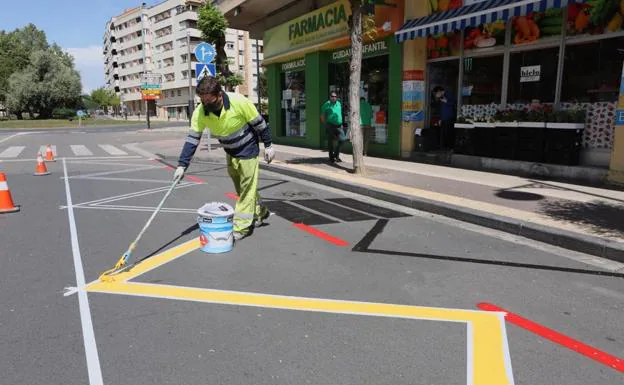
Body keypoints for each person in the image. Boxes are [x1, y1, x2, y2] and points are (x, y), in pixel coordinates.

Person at [173, 76, 275, 241]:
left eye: (209, 101)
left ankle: (241, 227)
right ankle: (261, 212)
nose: (206, 105)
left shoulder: (239, 102)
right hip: (230, 152)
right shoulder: (201, 112)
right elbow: (192, 139)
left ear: (219, 94)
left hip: (249, 150)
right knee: (242, 190)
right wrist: (181, 166)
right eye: (203, 101)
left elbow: (260, 124)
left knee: (247, 189)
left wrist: (268, 146)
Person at [320, 92, 346, 162]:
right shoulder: (326, 104)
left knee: (343, 139)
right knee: (331, 142)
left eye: (335, 96)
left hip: (339, 126)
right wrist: (325, 123)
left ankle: (336, 155)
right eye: (332, 96)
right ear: (330, 97)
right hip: (330, 125)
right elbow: (322, 115)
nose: (334, 97)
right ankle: (332, 157)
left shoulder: (339, 103)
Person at [432, 86, 457, 150]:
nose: (437, 94)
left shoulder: (449, 94)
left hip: (450, 118)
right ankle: (444, 147)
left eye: (437, 93)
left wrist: (446, 101)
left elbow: (454, 103)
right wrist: (440, 118)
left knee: (449, 133)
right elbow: (439, 108)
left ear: (440, 91)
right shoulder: (441, 97)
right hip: (443, 118)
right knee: (443, 134)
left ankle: (450, 147)